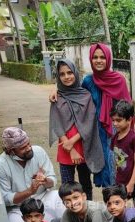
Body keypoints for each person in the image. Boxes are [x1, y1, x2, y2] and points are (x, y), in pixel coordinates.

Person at [49, 43, 132, 187]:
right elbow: (75, 94)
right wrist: (56, 90)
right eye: (95, 57)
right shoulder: (88, 81)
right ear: (91, 59)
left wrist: (128, 135)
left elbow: (129, 110)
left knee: (119, 169)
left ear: (108, 59)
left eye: (102, 57)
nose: (98, 60)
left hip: (115, 132)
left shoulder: (119, 80)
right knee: (103, 167)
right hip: (94, 132)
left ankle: (120, 205)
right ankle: (110, 205)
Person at [49, 58, 104, 200]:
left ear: (75, 72)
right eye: (62, 74)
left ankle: (88, 213)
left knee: (86, 185)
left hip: (83, 146)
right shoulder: (56, 97)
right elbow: (57, 123)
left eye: (69, 72)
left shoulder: (85, 95)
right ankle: (71, 217)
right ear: (58, 77)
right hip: (65, 149)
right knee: (67, 187)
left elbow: (90, 121)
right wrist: (69, 147)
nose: (66, 77)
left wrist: (72, 142)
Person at [0, 127, 65, 222]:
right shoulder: (0, 164)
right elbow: (6, 198)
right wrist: (29, 191)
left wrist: (46, 181)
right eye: (23, 148)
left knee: (59, 196)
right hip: (19, 208)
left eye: (28, 144)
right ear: (11, 151)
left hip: (43, 198)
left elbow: (52, 180)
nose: (28, 148)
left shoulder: (39, 152)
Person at [110, 100, 135, 212]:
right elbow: (115, 158)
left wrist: (131, 183)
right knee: (120, 204)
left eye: (118, 120)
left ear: (129, 120)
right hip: (121, 179)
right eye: (113, 120)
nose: (115, 123)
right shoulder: (115, 137)